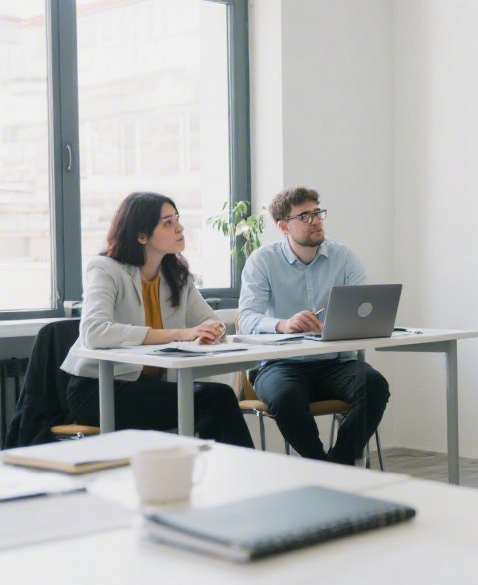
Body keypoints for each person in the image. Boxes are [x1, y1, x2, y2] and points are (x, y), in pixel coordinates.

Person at [60, 192, 253, 447]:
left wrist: (211, 331)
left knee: (212, 402)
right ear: (142, 235)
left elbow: (211, 320)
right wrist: (180, 333)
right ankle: (233, 479)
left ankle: (210, 477)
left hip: (151, 387)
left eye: (177, 219)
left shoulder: (177, 276)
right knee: (215, 399)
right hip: (99, 389)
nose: (180, 227)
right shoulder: (105, 269)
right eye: (168, 223)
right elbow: (94, 332)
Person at [237, 186, 389, 464]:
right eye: (304, 216)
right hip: (280, 364)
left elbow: (364, 310)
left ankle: (337, 465)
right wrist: (283, 324)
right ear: (284, 226)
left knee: (374, 385)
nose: (316, 220)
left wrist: (333, 324)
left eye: (317, 212)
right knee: (285, 399)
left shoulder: (343, 256)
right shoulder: (263, 260)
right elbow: (245, 319)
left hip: (334, 363)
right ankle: (323, 466)